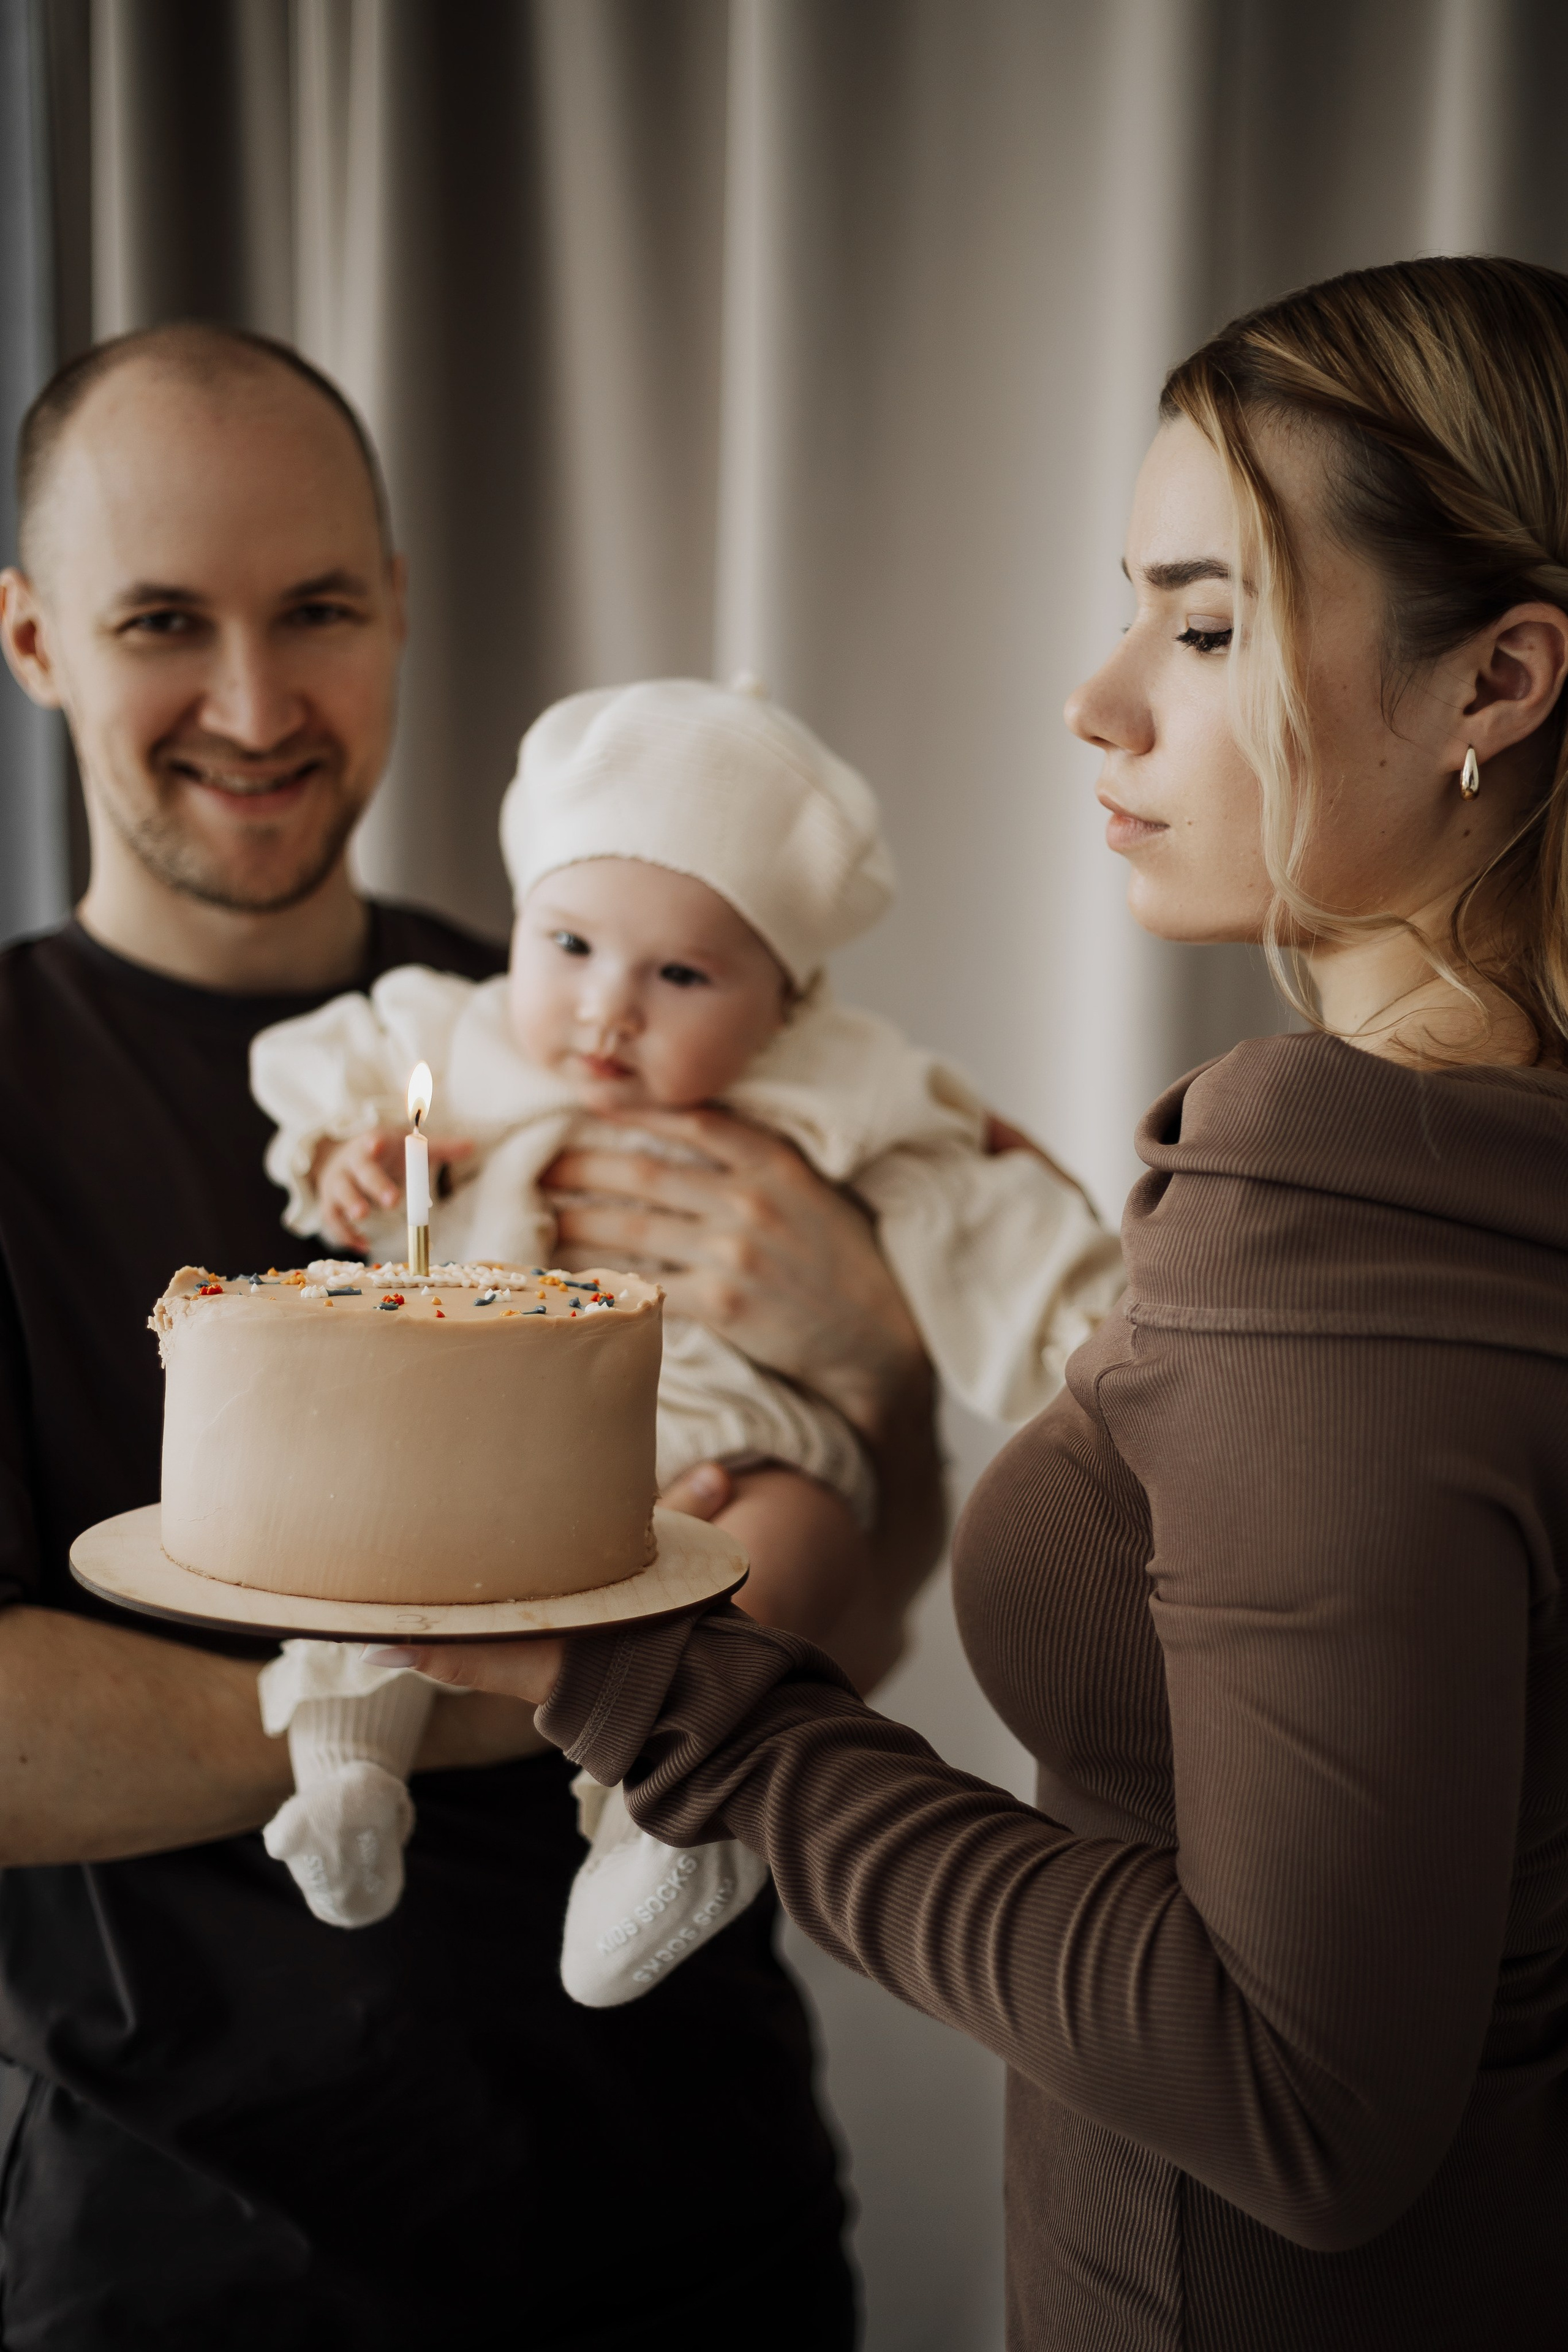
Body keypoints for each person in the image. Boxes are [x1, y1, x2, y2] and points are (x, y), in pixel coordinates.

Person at [391, 255, 1568, 2351]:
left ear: (1497, 683)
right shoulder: (1498, 1175)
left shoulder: (1339, 1199)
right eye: (1133, 603)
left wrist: (674, 1702)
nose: (1098, 697)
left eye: (1206, 623)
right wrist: (874, 1342)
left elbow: (1303, 2101)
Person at [0, 320, 945, 2349]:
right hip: (206, 2259)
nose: (256, 703)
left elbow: (834, 1631)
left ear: (403, 609)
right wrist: (520, 1694)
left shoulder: (605, 1017)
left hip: (700, 2207)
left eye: (318, 608)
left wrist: (873, 1363)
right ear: (34, 640)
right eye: (166, 619)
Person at [246, 673, 1121, 1986]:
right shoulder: (458, 1034)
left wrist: (1103, 1343)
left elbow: (984, 1217)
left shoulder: (831, 1081)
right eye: (571, 946)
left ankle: (676, 1825)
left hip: (723, 1431)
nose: (608, 1009)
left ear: (784, 998)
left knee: (782, 1552)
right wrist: (346, 1151)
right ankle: (347, 1776)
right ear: (520, 920)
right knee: (357, 1541)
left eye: (680, 974)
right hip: (479, 1435)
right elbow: (332, 1070)